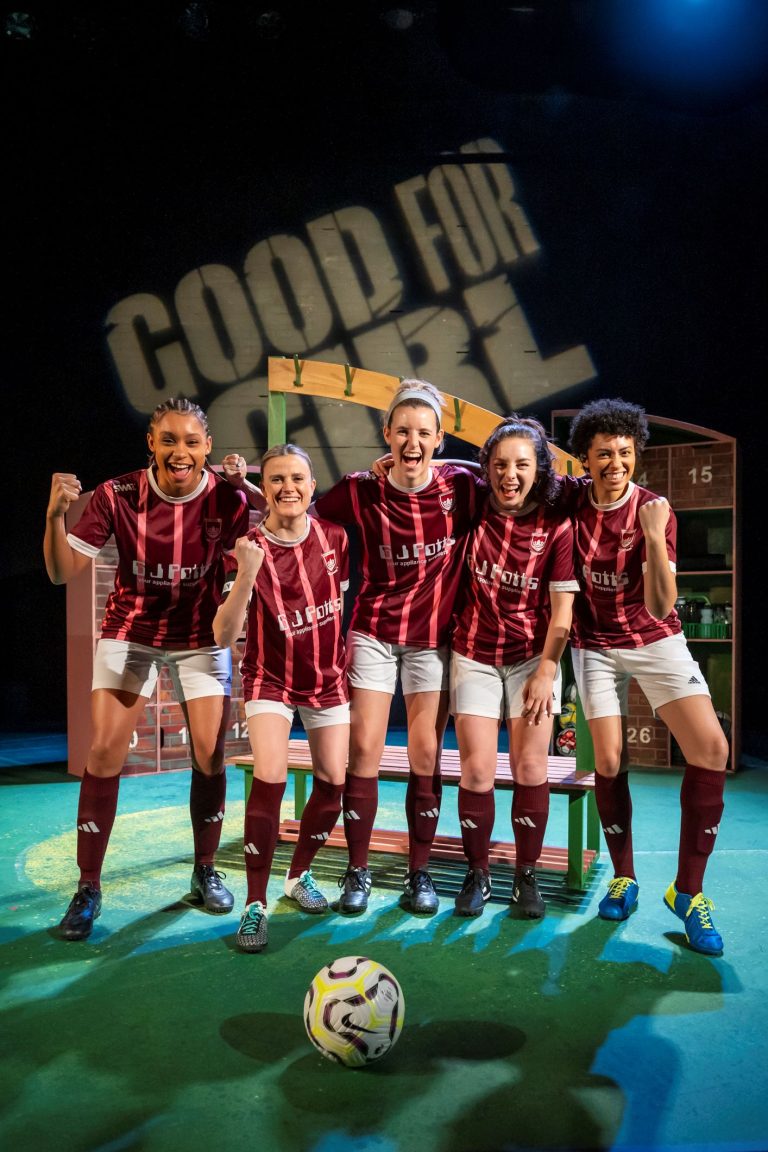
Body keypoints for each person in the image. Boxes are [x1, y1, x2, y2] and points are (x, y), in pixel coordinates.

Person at [44, 396, 250, 940]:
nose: (180, 451)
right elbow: (61, 572)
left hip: (199, 637)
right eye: (169, 440)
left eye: (191, 441)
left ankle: (205, 870)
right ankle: (88, 887)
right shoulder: (117, 494)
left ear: (207, 447)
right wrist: (54, 515)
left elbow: (247, 565)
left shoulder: (227, 499)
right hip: (131, 632)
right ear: (151, 444)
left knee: (209, 754)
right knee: (104, 751)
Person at [560, 398, 729, 955]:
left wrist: (654, 537)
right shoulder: (570, 501)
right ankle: (624, 877)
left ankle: (688, 892)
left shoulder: (655, 509)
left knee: (711, 749)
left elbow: (660, 605)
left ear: (636, 454)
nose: (616, 463)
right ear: (584, 459)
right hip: (594, 645)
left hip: (654, 639)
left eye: (625, 452)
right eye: (604, 454)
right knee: (608, 761)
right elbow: (513, 476)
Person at [311, 379, 482, 915]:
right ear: (386, 433)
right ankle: (358, 871)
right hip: (374, 632)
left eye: (424, 433)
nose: (413, 442)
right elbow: (303, 515)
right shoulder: (360, 489)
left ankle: (419, 872)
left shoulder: (462, 487)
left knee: (425, 752)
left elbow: (510, 474)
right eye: (403, 431)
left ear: (440, 439)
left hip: (433, 640)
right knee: (363, 749)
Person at [213, 444, 350, 953]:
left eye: (297, 478)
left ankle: (298, 876)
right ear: (264, 488)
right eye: (276, 479)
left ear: (312, 487)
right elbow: (223, 634)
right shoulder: (246, 547)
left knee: (334, 783)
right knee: (270, 776)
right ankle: (255, 904)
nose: (288, 487)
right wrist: (247, 573)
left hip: (327, 679)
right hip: (270, 678)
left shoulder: (335, 538)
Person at [450, 416, 579, 918]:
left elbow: (563, 612)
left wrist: (548, 669)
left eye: (522, 465)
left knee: (530, 767)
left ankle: (526, 876)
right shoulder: (471, 507)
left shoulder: (557, 525)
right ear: (486, 468)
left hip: (533, 658)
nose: (510, 475)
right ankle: (478, 873)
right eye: (499, 464)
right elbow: (439, 472)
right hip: (474, 654)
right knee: (477, 769)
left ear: (539, 469)